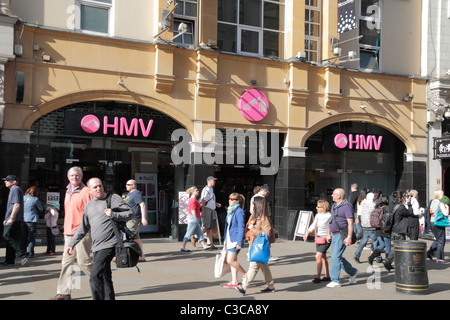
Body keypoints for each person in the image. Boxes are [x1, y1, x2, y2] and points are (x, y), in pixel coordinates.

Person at [66, 178, 134, 300]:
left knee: (94, 276)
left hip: (110, 244)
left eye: (100, 186)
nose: (99, 188)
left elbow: (130, 213)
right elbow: (83, 227)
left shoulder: (112, 199)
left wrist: (114, 214)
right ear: (89, 191)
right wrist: (72, 243)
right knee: (105, 276)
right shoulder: (89, 205)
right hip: (97, 246)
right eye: (95, 187)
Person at [50, 166, 93, 300]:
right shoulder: (68, 191)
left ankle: (102, 283)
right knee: (66, 263)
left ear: (81, 176)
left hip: (82, 233)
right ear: (68, 177)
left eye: (77, 175)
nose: (74, 177)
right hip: (69, 232)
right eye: (72, 175)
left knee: (84, 262)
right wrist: (65, 230)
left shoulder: (86, 192)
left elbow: (91, 213)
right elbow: (69, 213)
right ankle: (63, 293)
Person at [236, 197, 275, 295]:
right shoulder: (254, 216)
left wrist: (254, 230)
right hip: (253, 244)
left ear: (257, 205)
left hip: (259, 246)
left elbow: (267, 233)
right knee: (264, 266)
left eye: (253, 204)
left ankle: (244, 286)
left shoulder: (264, 218)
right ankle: (271, 286)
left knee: (253, 266)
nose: (251, 206)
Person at [326, 188, 358, 288]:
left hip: (341, 235)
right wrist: (328, 233)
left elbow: (350, 223)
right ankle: (352, 272)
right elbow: (331, 220)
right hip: (334, 235)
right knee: (337, 257)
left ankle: (336, 280)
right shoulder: (334, 205)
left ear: (339, 196)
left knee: (335, 257)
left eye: (334, 194)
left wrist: (349, 237)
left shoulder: (347, 206)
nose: (332, 195)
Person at [382, 191, 413, 271]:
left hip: (393, 230)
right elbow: (410, 212)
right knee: (399, 247)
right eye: (402, 197)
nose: (403, 199)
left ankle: (391, 262)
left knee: (397, 247)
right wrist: (409, 203)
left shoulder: (389, 206)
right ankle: (388, 260)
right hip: (400, 231)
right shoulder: (400, 207)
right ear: (399, 199)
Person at [2, 175, 30, 266]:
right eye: (5, 180)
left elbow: (16, 204)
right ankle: (9, 260)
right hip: (14, 219)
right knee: (11, 237)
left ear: (14, 181)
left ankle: (22, 254)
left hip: (14, 219)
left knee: (6, 236)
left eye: (7, 180)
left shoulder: (15, 189)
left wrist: (11, 218)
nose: (5, 182)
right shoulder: (14, 190)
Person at [303, 199, 331, 283]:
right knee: (323, 257)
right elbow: (313, 224)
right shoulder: (318, 215)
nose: (316, 208)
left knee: (318, 256)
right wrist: (307, 233)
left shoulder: (329, 216)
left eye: (318, 207)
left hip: (326, 239)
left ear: (323, 207)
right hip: (318, 238)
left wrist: (329, 234)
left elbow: (331, 226)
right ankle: (327, 276)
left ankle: (318, 277)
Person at [223, 192, 247, 289]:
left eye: (232, 199)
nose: (230, 200)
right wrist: (225, 240)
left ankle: (245, 274)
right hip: (230, 239)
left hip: (235, 240)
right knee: (233, 261)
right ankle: (234, 281)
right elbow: (228, 226)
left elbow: (241, 227)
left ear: (237, 201)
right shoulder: (230, 211)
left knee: (230, 260)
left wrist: (239, 242)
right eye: (229, 199)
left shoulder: (239, 211)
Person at [124, 179, 148, 262]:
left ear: (133, 185)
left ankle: (137, 255)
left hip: (133, 219)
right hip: (129, 218)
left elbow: (142, 205)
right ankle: (141, 255)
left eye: (128, 184)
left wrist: (143, 218)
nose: (126, 186)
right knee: (135, 238)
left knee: (131, 236)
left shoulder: (136, 193)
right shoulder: (129, 194)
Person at [181, 186, 208, 252]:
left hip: (194, 218)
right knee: (189, 233)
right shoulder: (193, 200)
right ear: (192, 192)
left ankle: (204, 245)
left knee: (199, 232)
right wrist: (196, 219)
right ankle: (183, 247)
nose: (198, 191)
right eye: (196, 190)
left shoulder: (192, 199)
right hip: (194, 218)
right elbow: (193, 210)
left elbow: (193, 208)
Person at [20, 186, 43, 257]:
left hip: (23, 219)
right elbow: (41, 209)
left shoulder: (23, 197)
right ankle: (30, 252)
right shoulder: (35, 199)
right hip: (32, 219)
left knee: (23, 236)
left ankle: (22, 251)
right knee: (31, 237)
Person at [354, 192, 376, 263]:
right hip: (372, 226)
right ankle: (377, 257)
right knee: (375, 242)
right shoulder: (374, 206)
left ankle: (356, 255)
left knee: (363, 242)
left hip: (364, 225)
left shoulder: (363, 205)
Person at [368, 194, 390, 264]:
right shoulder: (386, 208)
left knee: (381, 244)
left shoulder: (377, 207)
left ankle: (371, 257)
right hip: (385, 229)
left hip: (378, 229)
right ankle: (387, 262)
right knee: (387, 245)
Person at [427, 193, 449, 263]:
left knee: (438, 238)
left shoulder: (432, 202)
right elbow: (445, 213)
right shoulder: (440, 203)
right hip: (439, 223)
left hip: (432, 222)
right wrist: (447, 207)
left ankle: (430, 252)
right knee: (441, 240)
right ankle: (439, 258)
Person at [201, 176, 221, 250]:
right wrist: (203, 212)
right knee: (207, 227)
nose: (214, 182)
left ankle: (209, 243)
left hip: (211, 209)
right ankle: (196, 236)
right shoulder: (206, 189)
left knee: (210, 227)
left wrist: (215, 204)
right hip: (207, 209)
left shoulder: (211, 189)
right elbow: (203, 201)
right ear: (209, 181)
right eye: (213, 180)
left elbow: (208, 201)